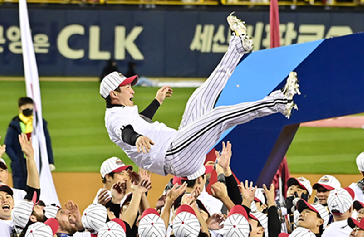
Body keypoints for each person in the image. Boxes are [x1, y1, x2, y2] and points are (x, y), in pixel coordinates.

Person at [101, 14, 299, 178]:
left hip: (180, 143)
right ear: (114, 94)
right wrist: (136, 139)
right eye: (126, 86)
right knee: (218, 116)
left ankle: (237, 46)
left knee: (200, 98)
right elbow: (126, 132)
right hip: (174, 156)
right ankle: (280, 102)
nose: (132, 89)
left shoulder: (123, 111)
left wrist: (156, 102)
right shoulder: (114, 119)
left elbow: (139, 121)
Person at [5, 97, 54, 190]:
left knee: (37, 188)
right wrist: (16, 160)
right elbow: (8, 145)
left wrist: (50, 161)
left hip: (36, 161)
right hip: (21, 163)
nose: (28, 110)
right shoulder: (15, 124)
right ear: (20, 109)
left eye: (30, 107)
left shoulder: (39, 123)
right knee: (20, 189)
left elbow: (46, 142)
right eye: (25, 107)